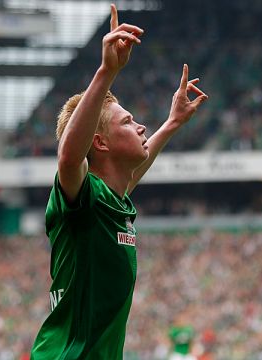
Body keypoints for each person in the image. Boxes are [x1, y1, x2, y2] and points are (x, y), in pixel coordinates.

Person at [31, 4, 208, 359]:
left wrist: (172, 124)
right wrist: (106, 72)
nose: (141, 126)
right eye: (128, 122)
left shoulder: (111, 202)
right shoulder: (81, 197)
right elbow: (69, 158)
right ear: (100, 142)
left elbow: (131, 175)